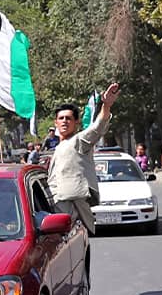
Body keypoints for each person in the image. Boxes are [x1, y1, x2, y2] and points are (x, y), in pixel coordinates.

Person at [46, 83, 121, 234]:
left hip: (72, 209)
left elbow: (98, 127)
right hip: (54, 208)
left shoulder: (79, 141)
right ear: (56, 123)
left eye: (69, 118)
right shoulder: (57, 148)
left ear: (76, 122)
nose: (64, 121)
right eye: (61, 118)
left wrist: (106, 105)